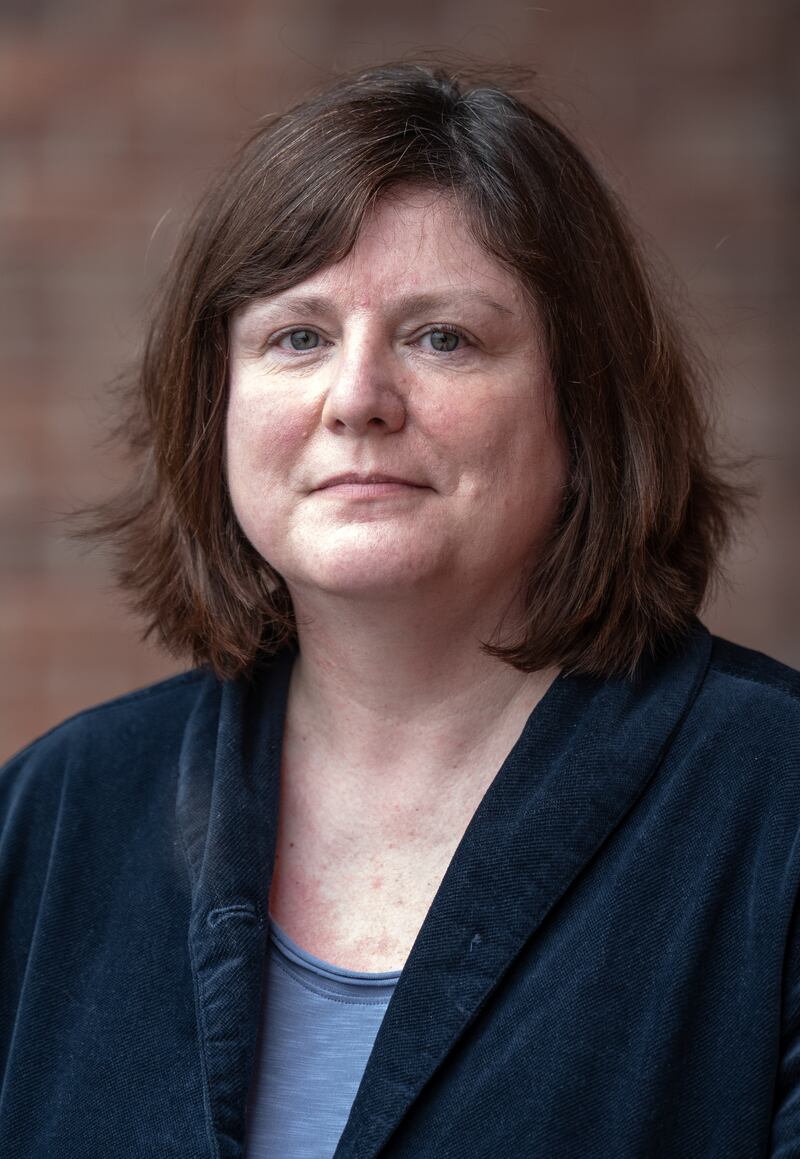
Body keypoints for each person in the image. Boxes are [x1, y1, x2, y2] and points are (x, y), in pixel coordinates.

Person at [0, 59, 798, 1159]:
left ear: (584, 405)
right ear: (216, 403)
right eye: (297, 336)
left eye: (442, 338)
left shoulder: (772, 801)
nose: (358, 399)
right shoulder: (54, 815)